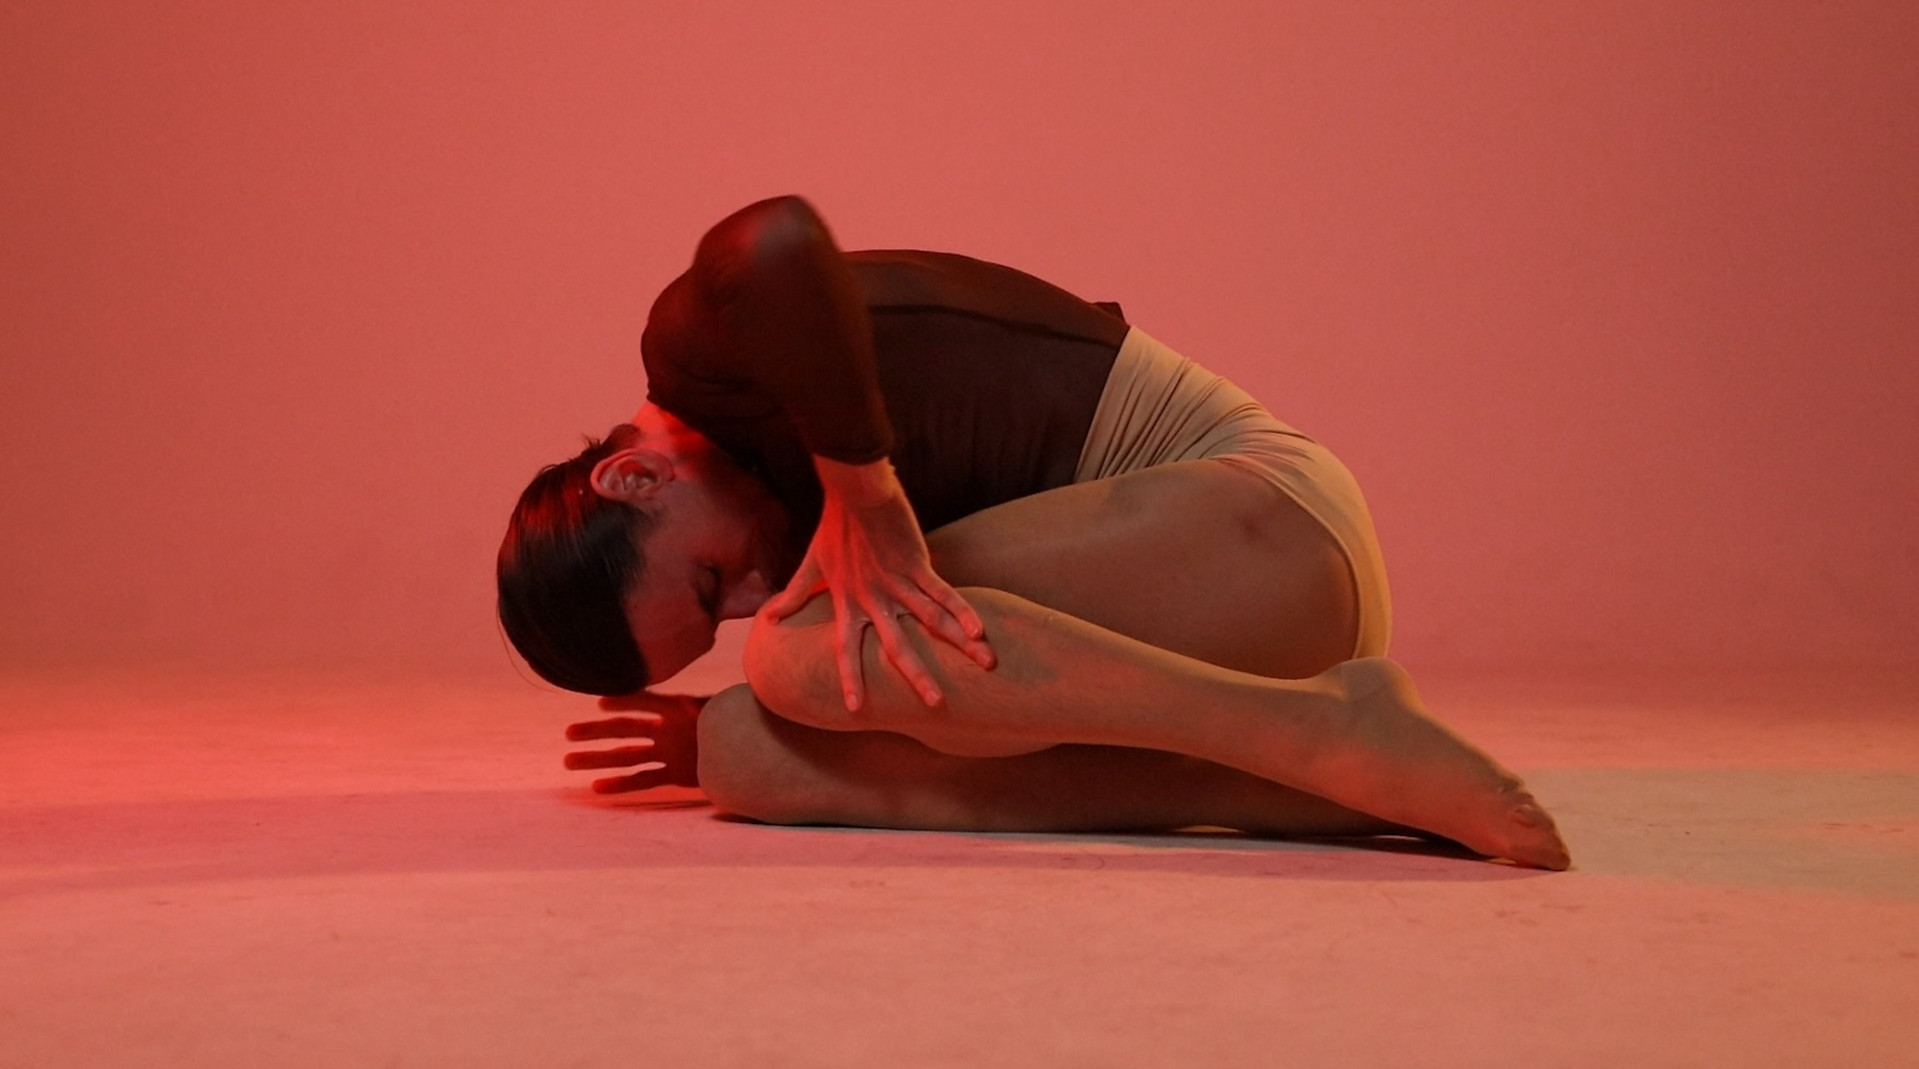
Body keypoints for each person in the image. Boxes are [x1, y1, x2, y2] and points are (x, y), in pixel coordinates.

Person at [497, 195, 1571, 870]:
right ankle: (1292, 784)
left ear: (634, 475)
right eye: (719, 616)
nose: (748, 597)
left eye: (707, 580)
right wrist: (716, 735)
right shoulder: (772, 520)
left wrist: (862, 490)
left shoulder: (698, 349)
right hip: (1215, 629)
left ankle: (1320, 735)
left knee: (791, 658)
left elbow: (774, 239)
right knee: (751, 757)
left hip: (1270, 528)